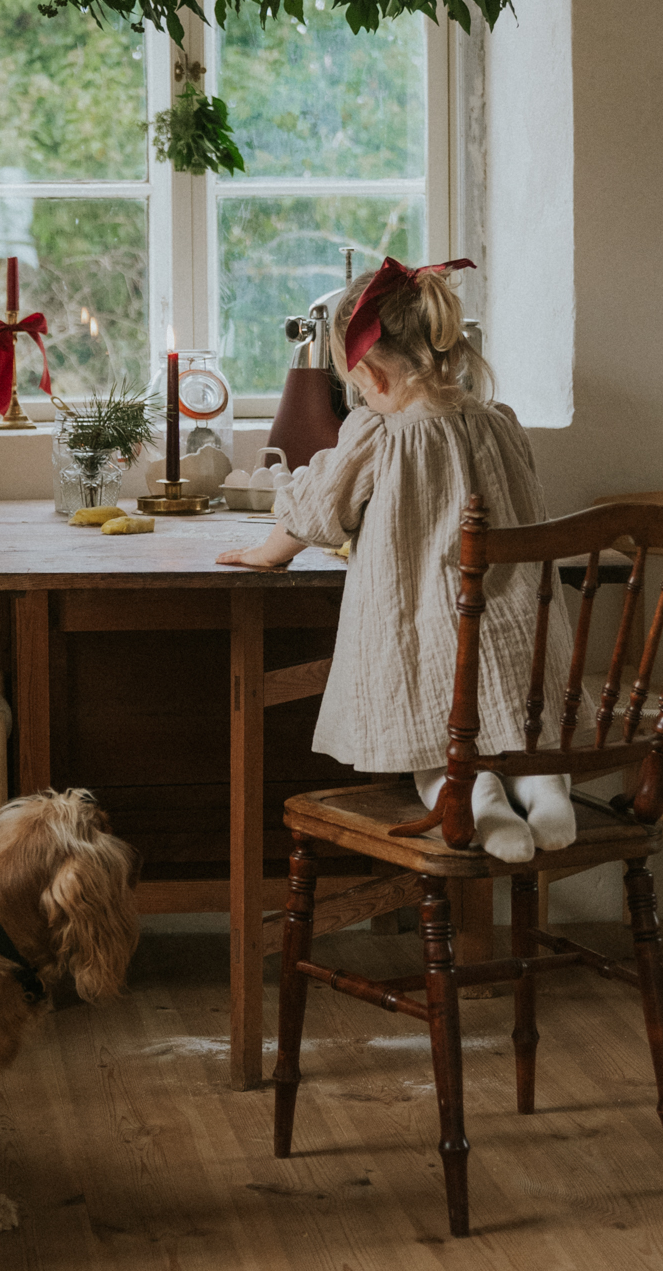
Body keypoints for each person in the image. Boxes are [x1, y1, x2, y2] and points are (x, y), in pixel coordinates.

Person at [215, 257, 580, 862]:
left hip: (426, 639)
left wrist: (266, 554)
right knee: (520, 739)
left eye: (356, 385)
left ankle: (479, 803)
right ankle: (545, 793)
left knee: (435, 749)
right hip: (519, 639)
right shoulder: (501, 425)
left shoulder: (378, 434)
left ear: (374, 379)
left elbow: (314, 512)